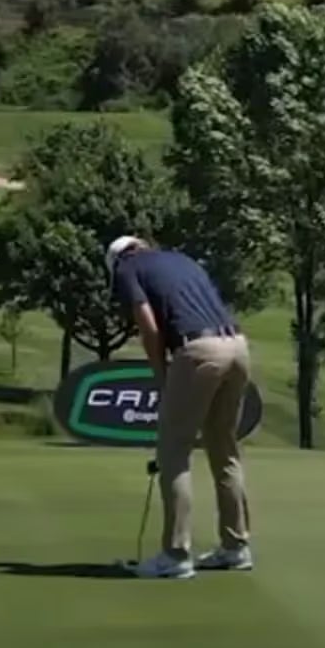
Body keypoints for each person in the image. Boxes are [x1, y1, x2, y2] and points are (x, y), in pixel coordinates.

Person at [106, 235, 254, 580]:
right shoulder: (182, 259)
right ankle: (236, 547)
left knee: (173, 448)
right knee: (224, 448)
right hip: (237, 345)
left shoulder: (127, 268)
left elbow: (148, 325)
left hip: (199, 349)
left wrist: (160, 374)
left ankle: (175, 554)